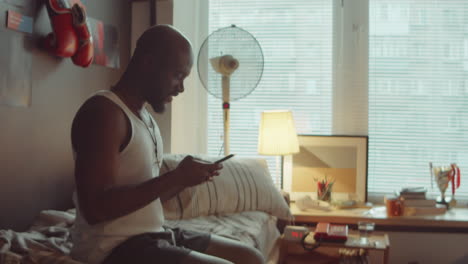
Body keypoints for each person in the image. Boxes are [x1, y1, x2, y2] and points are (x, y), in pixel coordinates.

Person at [70, 25, 264, 264]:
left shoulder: (145, 118)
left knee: (250, 257)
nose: (181, 88)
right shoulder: (104, 113)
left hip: (153, 235)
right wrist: (175, 178)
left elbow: (147, 194)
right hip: (113, 247)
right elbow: (95, 208)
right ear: (149, 63)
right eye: (177, 75)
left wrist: (186, 179)